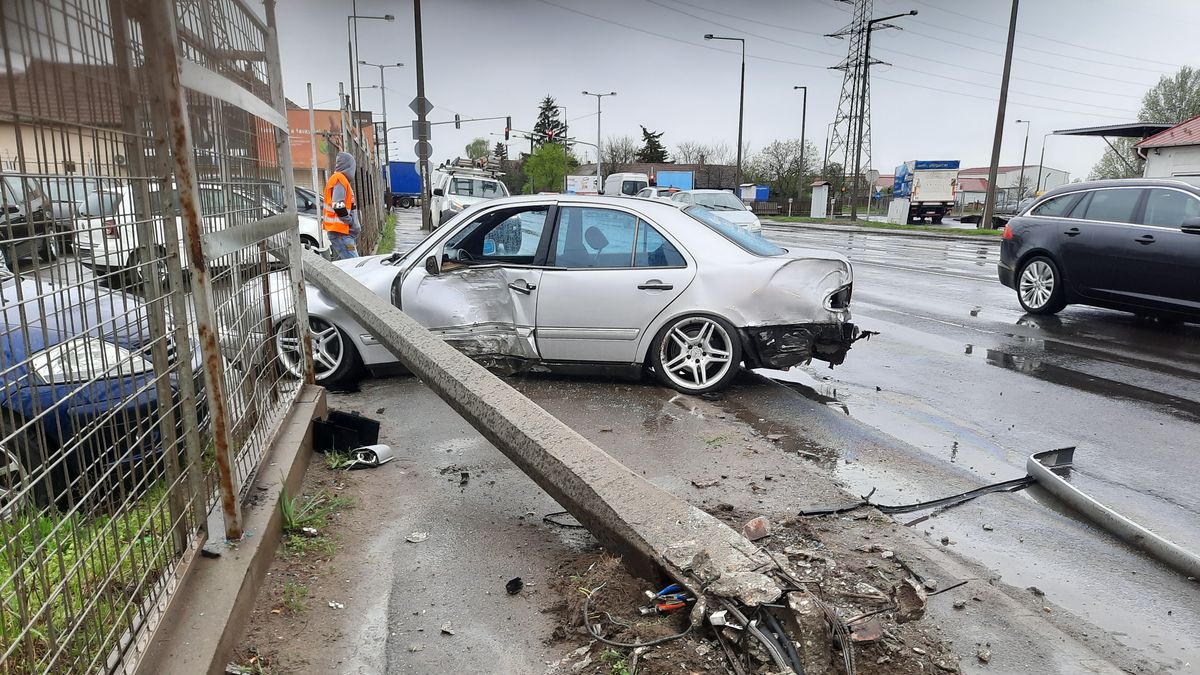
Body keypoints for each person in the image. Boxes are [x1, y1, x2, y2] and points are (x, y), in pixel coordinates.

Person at [323, 151, 361, 259]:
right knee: (355, 267)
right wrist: (349, 220)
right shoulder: (340, 180)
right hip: (341, 233)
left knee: (348, 266)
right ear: (349, 166)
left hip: (342, 233)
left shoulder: (340, 180)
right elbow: (338, 204)